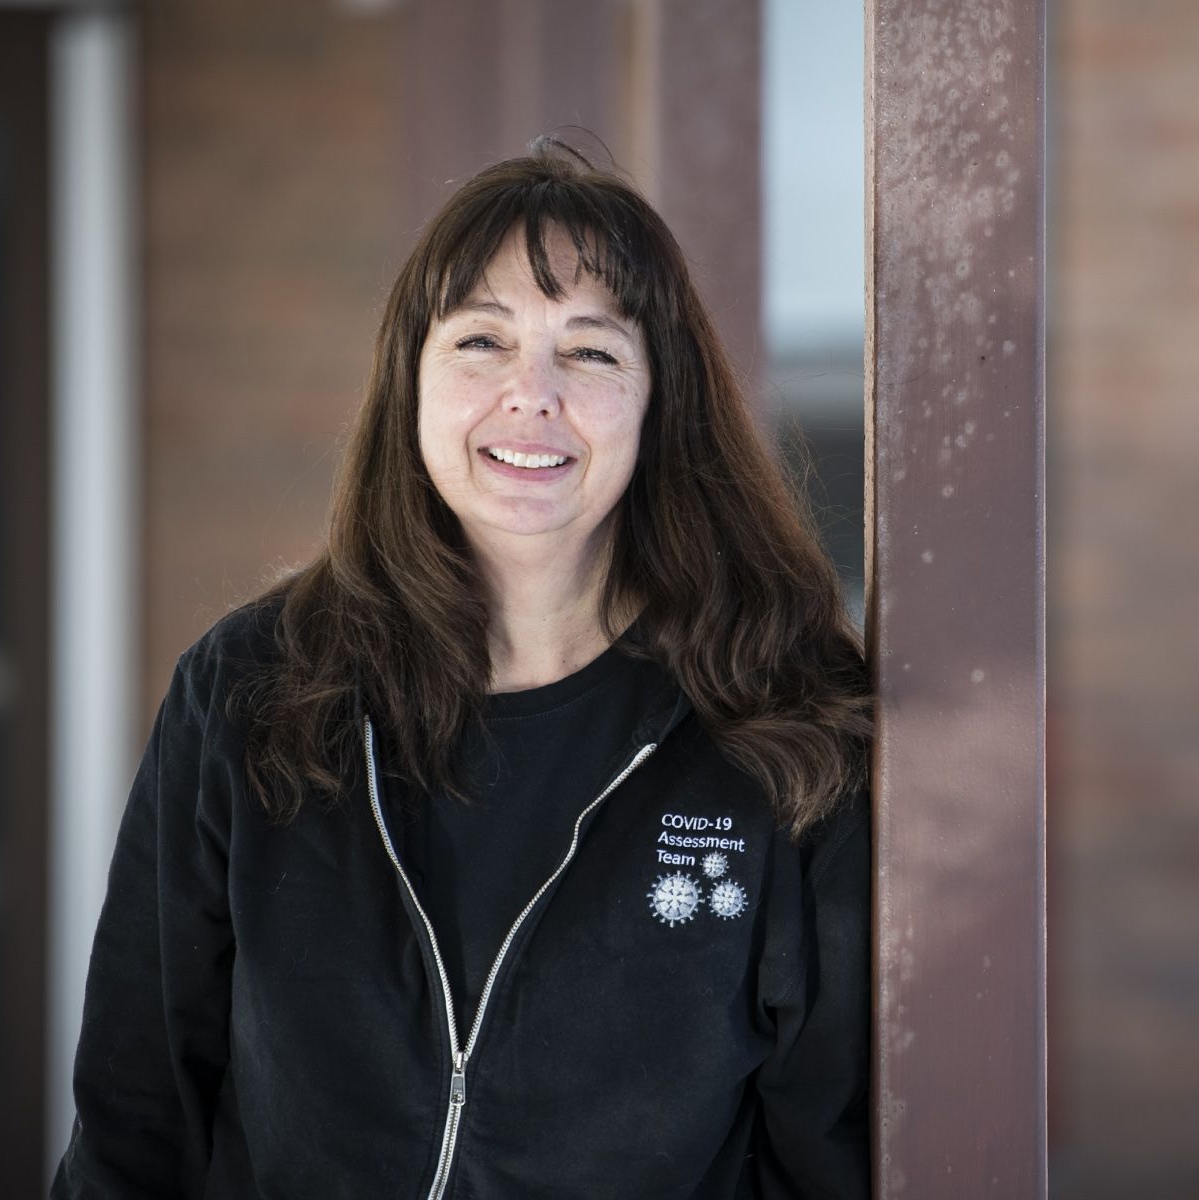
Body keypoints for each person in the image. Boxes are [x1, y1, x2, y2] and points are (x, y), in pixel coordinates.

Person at [51, 138, 874, 1199]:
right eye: (481, 340)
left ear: (661, 402)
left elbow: (826, 1146)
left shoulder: (775, 721)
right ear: (412, 382)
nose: (531, 395)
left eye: (591, 352)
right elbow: (136, 1112)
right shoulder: (253, 693)